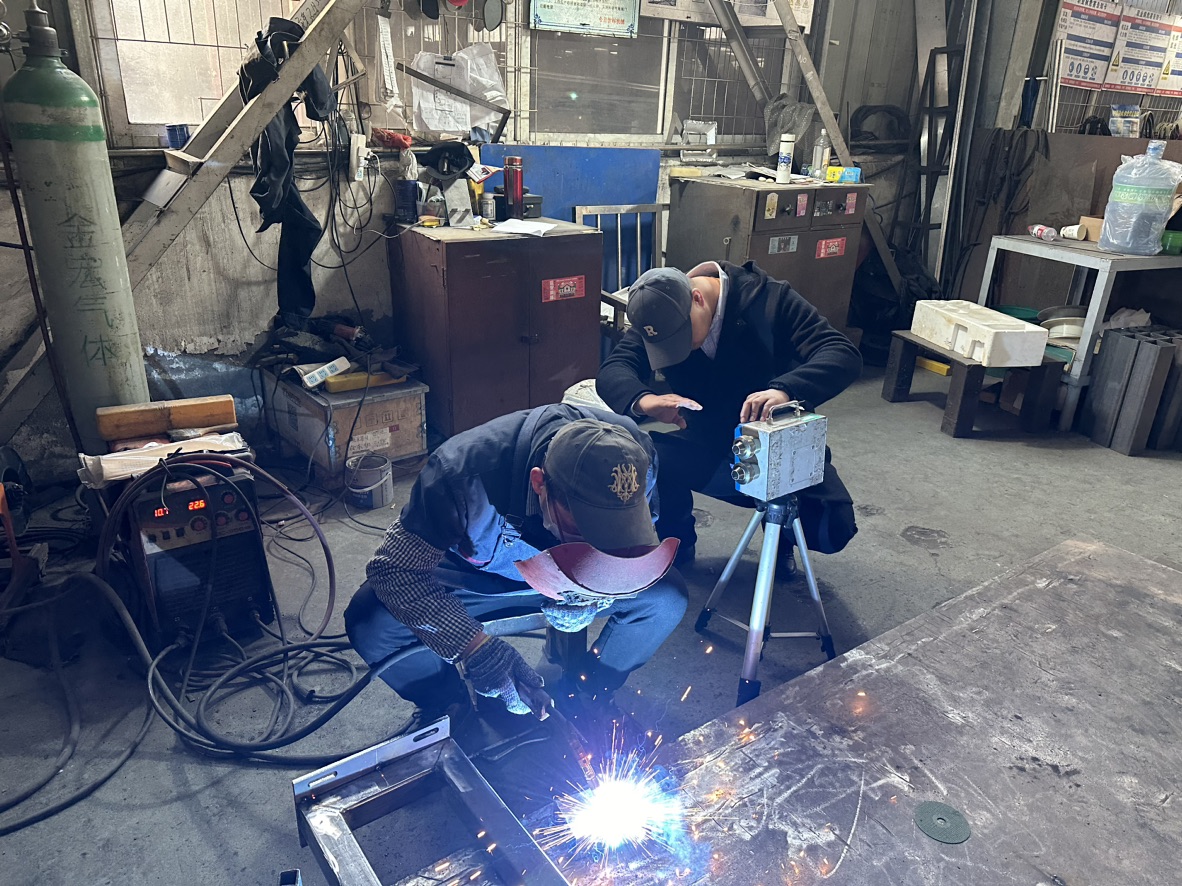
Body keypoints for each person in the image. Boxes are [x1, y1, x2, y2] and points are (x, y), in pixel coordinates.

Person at [345, 404, 687, 721]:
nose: (595, 544)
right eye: (584, 527)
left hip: (567, 584)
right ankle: (447, 704)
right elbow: (393, 570)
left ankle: (589, 692)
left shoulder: (635, 457)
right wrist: (474, 648)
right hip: (480, 584)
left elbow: (637, 549)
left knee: (665, 600)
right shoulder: (462, 473)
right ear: (540, 483)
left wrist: (596, 593)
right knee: (371, 623)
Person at [596, 261, 863, 565]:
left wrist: (786, 390)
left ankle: (780, 537)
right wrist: (645, 401)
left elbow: (842, 353)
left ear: (697, 298)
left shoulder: (770, 300)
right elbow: (613, 369)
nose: (679, 350)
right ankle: (677, 546)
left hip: (776, 450)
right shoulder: (658, 313)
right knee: (647, 457)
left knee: (832, 530)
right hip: (709, 447)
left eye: (682, 337)